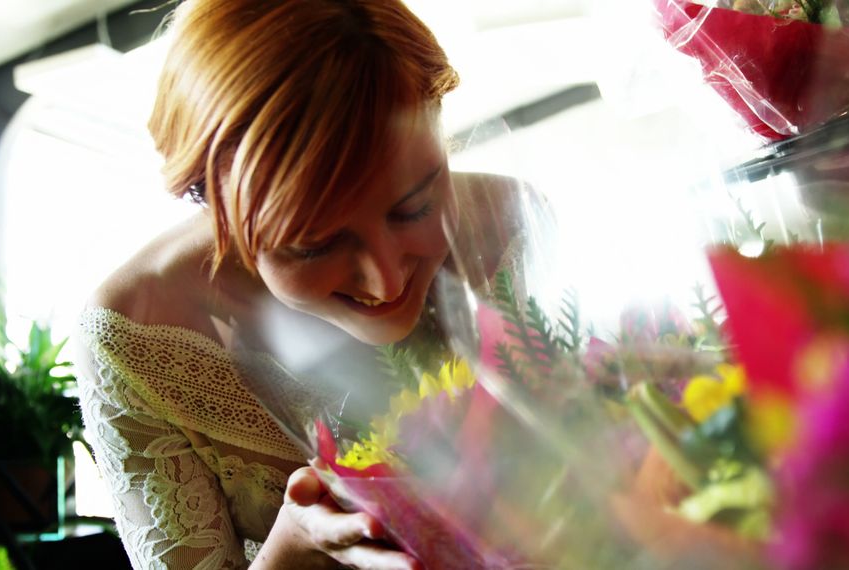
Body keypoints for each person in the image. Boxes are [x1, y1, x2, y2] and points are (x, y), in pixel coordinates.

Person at [74, 0, 530, 568]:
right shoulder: (138, 334)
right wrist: (293, 549)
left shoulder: (514, 223)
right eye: (314, 245)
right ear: (218, 209)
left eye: (414, 207)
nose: (385, 279)